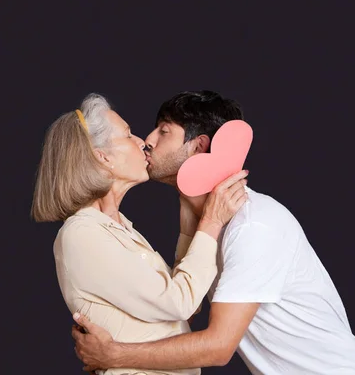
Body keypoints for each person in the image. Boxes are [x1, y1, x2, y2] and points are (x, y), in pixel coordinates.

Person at [72, 91, 355, 374]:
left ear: (198, 146)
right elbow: (182, 311)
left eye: (163, 130)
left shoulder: (253, 224)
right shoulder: (210, 223)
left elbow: (218, 347)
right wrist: (190, 216)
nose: (147, 140)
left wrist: (114, 355)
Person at [31, 93, 249, 375]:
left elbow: (181, 301)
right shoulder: (83, 234)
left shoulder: (119, 227)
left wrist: (188, 226)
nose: (142, 142)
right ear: (103, 157)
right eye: (128, 135)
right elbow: (179, 303)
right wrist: (211, 220)